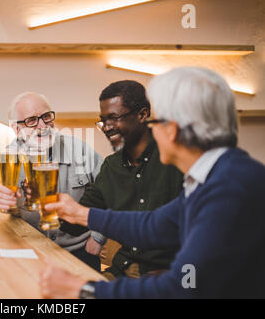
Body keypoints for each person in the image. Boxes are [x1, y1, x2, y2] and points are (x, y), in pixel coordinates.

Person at [40, 67, 265, 298]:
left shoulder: (228, 189)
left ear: (172, 130)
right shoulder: (216, 176)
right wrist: (79, 214)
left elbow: (182, 288)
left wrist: (81, 289)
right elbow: (154, 226)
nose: (152, 131)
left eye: (155, 122)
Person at [0, 92, 104, 270]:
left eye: (46, 116)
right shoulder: (11, 155)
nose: (42, 125)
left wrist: (98, 237)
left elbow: (114, 191)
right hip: (30, 249)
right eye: (32, 120)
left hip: (79, 251)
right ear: (16, 129)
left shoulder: (80, 150)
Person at [78, 80, 183, 279]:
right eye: (103, 121)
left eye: (114, 118)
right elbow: (77, 217)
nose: (107, 128)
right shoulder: (112, 166)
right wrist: (38, 201)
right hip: (122, 270)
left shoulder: (176, 158)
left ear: (142, 115)